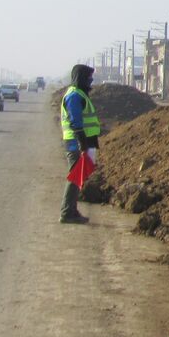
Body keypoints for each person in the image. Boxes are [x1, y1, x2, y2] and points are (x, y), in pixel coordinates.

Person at [60, 64, 100, 224]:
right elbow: (75, 122)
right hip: (75, 142)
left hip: (83, 141)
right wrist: (82, 144)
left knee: (79, 177)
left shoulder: (80, 94)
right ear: (81, 78)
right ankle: (67, 212)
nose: (90, 80)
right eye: (88, 77)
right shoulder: (74, 96)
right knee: (75, 177)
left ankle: (71, 210)